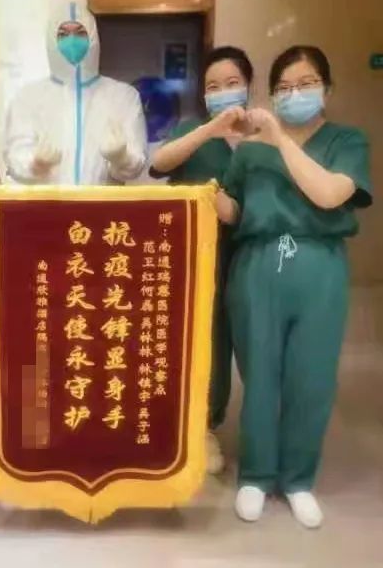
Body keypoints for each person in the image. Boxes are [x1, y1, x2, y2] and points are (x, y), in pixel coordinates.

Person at [216, 46, 372, 528]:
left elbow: (329, 194)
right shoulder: (250, 152)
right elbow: (235, 209)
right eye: (283, 88)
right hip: (257, 263)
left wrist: (280, 138)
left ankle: (298, 479)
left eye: (305, 84)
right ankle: (256, 476)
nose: (292, 94)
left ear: (327, 88)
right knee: (259, 375)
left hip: (318, 265)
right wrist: (206, 195)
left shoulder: (347, 141)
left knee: (312, 377)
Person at [150, 46, 254, 475]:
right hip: (192, 255)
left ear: (248, 86)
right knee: (192, 337)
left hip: (246, 253)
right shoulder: (194, 130)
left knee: (228, 341)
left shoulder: (263, 135)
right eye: (213, 86)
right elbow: (159, 164)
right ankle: (185, 424)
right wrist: (211, 130)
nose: (223, 92)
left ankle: (217, 423)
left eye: (232, 83)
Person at [4, 1, 147, 185]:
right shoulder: (28, 98)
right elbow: (15, 158)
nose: (72, 41)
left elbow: (135, 166)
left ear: (93, 38)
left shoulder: (123, 97)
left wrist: (122, 158)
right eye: (63, 34)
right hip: (47, 203)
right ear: (51, 41)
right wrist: (35, 165)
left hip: (102, 202)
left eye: (80, 33)